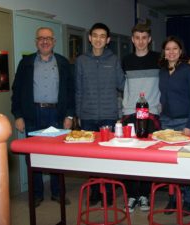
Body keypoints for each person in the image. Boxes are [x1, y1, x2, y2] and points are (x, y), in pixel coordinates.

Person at [11, 27, 75, 207]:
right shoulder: (26, 63)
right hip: (32, 114)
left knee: (57, 154)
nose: (44, 41)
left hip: (57, 114)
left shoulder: (63, 62)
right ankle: (36, 193)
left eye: (48, 38)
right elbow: (17, 90)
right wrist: (18, 115)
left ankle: (57, 192)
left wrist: (69, 114)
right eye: (41, 38)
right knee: (33, 155)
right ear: (36, 42)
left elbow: (71, 91)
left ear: (54, 41)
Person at [75, 22, 125, 206]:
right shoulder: (81, 60)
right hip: (87, 117)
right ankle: (95, 192)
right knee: (91, 158)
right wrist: (79, 115)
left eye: (102, 36)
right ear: (89, 38)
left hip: (108, 116)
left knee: (108, 157)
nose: (98, 39)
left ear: (108, 40)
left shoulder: (113, 60)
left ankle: (109, 194)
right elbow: (78, 90)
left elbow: (122, 85)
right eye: (95, 35)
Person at [121, 23, 161, 213]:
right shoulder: (125, 61)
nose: (141, 41)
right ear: (132, 39)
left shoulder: (159, 59)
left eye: (144, 38)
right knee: (127, 157)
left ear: (150, 39)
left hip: (151, 114)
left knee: (147, 158)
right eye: (137, 37)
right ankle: (131, 195)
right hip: (130, 114)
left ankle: (144, 194)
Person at [159, 36, 190, 214]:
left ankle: (188, 200)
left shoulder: (188, 70)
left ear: (181, 51)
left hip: (184, 122)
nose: (171, 52)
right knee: (169, 164)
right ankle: (173, 199)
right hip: (166, 122)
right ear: (164, 52)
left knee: (185, 164)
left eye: (175, 48)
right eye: (168, 49)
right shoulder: (161, 70)